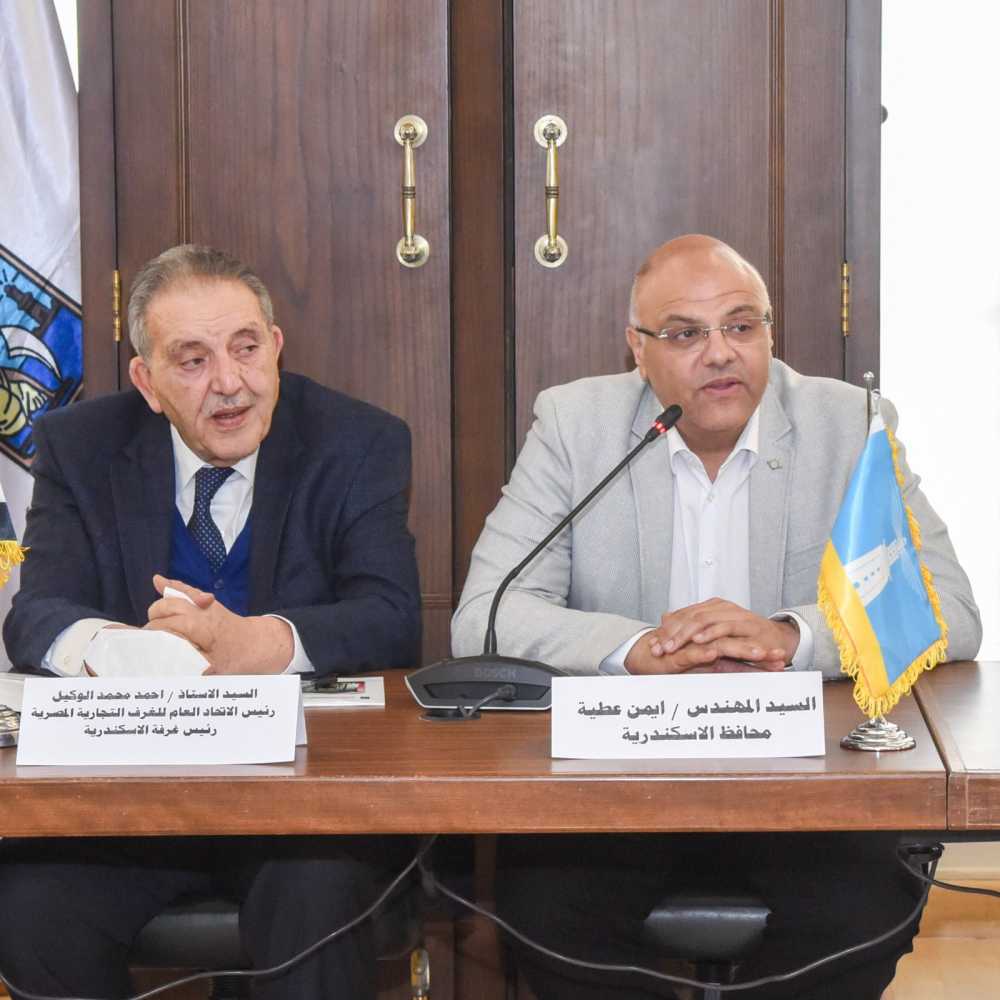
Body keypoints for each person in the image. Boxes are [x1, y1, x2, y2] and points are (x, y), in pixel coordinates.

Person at [452, 235, 981, 999]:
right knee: (546, 909)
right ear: (638, 350)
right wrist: (636, 648)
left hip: (804, 784)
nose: (720, 352)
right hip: (618, 784)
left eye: (741, 325)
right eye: (684, 333)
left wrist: (790, 637)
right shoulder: (575, 425)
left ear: (770, 332)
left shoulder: (849, 422)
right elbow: (485, 617)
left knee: (867, 907)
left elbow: (947, 609)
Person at [0, 244, 421, 999]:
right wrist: (117, 650)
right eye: (192, 361)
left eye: (246, 349)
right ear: (146, 382)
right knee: (29, 906)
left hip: (301, 804)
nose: (229, 383)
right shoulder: (80, 446)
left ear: (276, 348)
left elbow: (390, 617)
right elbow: (37, 616)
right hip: (129, 806)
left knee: (318, 889)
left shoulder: (358, 441)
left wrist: (258, 643)